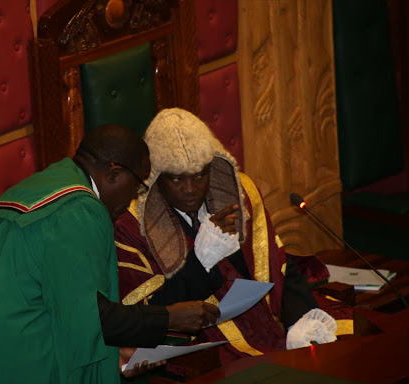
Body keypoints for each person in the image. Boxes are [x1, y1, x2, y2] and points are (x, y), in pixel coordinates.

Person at [0, 124, 220, 384]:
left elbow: (49, 301)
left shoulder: (44, 184)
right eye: (137, 187)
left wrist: (115, 356)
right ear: (114, 173)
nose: (132, 201)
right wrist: (171, 317)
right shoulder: (80, 210)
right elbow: (94, 317)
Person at [114, 108, 352, 368]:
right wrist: (201, 260)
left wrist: (301, 320)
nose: (191, 189)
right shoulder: (131, 226)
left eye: (199, 175)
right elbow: (146, 315)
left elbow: (278, 264)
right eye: (176, 179)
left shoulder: (240, 195)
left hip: (267, 323)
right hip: (204, 349)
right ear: (156, 179)